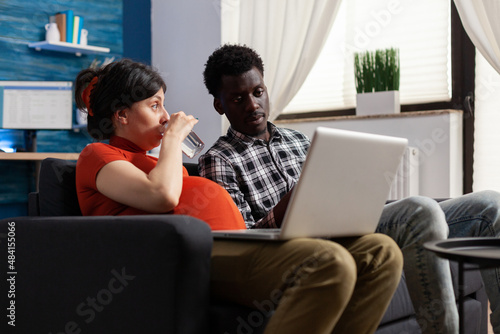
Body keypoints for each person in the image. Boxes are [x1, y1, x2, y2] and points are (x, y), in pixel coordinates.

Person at [74, 58, 403, 334]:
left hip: (239, 243)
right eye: (155, 105)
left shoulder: (154, 161)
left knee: (381, 252)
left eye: (164, 104)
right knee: (329, 262)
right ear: (121, 115)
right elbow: (162, 196)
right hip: (184, 257)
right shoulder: (98, 154)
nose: (165, 116)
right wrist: (172, 139)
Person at [198, 44, 500, 334]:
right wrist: (291, 204)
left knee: (490, 205)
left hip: (348, 224)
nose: (253, 104)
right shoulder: (219, 158)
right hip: (305, 245)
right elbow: (241, 241)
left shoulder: (298, 140)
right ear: (218, 104)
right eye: (238, 99)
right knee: (421, 211)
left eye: (258, 92)